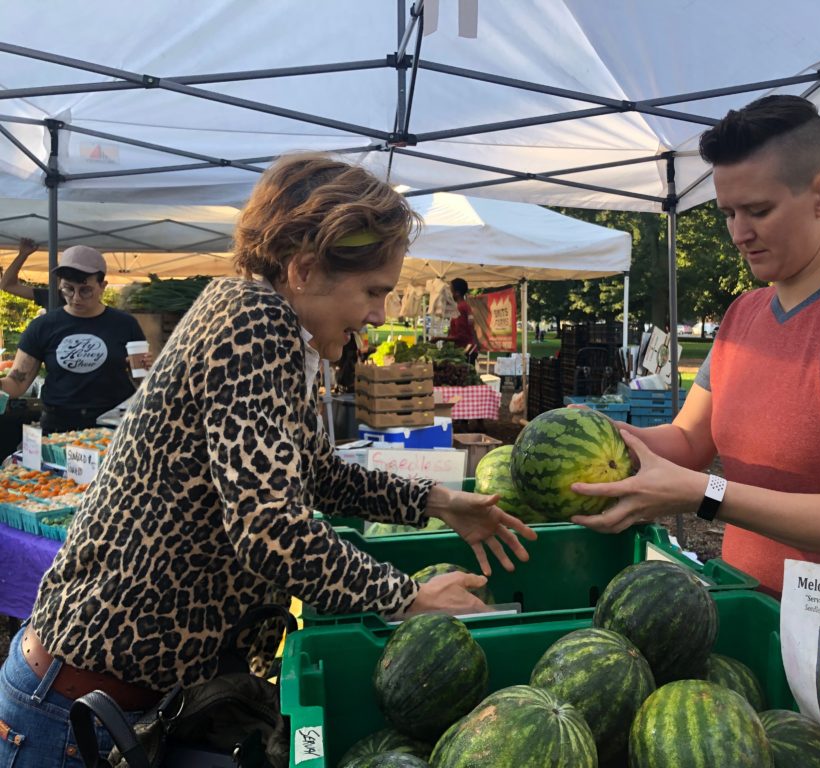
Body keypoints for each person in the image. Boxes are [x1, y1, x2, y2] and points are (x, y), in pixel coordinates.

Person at [0, 153, 536, 765]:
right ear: (305, 269)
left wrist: (439, 502)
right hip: (72, 711)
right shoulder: (253, 325)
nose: (379, 314)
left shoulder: (268, 324)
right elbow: (268, 528)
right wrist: (406, 597)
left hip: (103, 702)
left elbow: (313, 473)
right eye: (372, 291)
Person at [571, 95, 820, 597]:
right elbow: (689, 441)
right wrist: (602, 439)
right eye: (728, 212)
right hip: (749, 605)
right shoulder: (741, 315)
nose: (738, 234)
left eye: (758, 210)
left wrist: (708, 494)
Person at [0, 245, 148, 434]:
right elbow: (17, 383)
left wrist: (145, 371)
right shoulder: (43, 327)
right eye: (68, 289)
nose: (76, 298)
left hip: (112, 426)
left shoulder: (125, 324)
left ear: (103, 286)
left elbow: (142, 381)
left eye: (85, 290)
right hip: (59, 427)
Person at [1, 237, 64, 308]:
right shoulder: (51, 296)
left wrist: (23, 254)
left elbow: (7, 286)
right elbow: (7, 285)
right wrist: (22, 255)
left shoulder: (52, 296)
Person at [434, 277, 478, 362]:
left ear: (457, 293)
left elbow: (460, 336)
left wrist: (439, 338)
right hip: (467, 349)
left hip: (465, 350)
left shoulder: (460, 308)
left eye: (450, 291)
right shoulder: (464, 306)